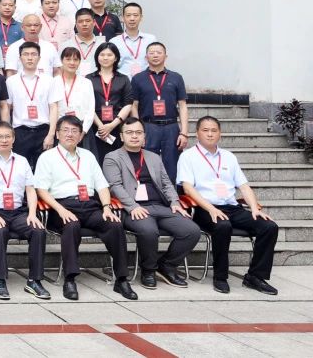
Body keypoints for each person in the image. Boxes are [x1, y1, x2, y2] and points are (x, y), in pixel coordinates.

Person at [33, 116, 138, 301]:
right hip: (61, 206)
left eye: (75, 131)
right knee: (71, 225)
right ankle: (70, 279)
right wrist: (60, 210)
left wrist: (106, 208)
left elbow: (102, 185)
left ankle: (121, 279)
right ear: (57, 134)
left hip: (90, 206)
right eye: (65, 130)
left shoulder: (88, 156)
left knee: (114, 225)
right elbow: (41, 190)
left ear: (81, 136)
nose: (70, 134)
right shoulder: (47, 157)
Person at [178, 116, 280, 295]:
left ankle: (255, 277)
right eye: (205, 130)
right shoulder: (188, 156)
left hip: (232, 208)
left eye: (214, 130)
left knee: (269, 226)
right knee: (223, 226)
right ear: (197, 133)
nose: (210, 134)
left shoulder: (229, 157)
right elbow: (187, 188)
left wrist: (254, 208)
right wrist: (211, 209)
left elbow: (244, 186)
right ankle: (220, 277)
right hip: (204, 208)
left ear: (220, 134)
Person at [103, 118, 200, 290]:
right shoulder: (112, 157)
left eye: (138, 133)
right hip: (132, 208)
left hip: (160, 206)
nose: (134, 136)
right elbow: (115, 186)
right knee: (148, 230)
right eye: (129, 133)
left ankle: (167, 266)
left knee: (191, 231)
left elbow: (166, 183)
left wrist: (175, 202)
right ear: (122, 136)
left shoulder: (153, 157)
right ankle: (148, 270)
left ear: (144, 136)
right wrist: (133, 206)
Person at [0, 122, 50, 300]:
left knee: (38, 231)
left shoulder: (22, 161)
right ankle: (0, 280)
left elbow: (30, 190)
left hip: (18, 212)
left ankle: (34, 280)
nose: (4, 140)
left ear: (13, 139)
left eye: (7, 136)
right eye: (0, 137)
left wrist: (32, 214)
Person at [131, 43, 189, 181]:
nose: (155, 55)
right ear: (146, 57)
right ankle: (150, 192)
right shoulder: (138, 78)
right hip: (148, 127)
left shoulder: (176, 77)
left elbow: (182, 106)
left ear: (165, 56)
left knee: (172, 166)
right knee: (147, 164)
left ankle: (172, 193)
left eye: (159, 52)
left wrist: (184, 132)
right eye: (151, 53)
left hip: (171, 127)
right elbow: (134, 106)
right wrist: (138, 131)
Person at [6, 42, 59, 168]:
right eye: (26, 54)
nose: (30, 58)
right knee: (19, 169)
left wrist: (51, 134)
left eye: (34, 54)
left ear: (39, 58)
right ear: (20, 58)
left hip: (43, 131)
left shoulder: (49, 80)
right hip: (20, 132)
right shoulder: (11, 81)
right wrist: (8, 133)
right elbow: (7, 108)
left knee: (45, 169)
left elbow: (54, 108)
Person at [86, 42, 135, 160]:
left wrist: (112, 125)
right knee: (96, 159)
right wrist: (101, 126)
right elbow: (87, 104)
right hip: (95, 127)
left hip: (117, 126)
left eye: (109, 55)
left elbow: (128, 104)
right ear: (97, 57)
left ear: (116, 58)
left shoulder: (123, 79)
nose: (105, 58)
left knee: (118, 160)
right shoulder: (89, 79)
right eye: (102, 55)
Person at [53, 47, 96, 137]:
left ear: (79, 62)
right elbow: (52, 109)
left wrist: (83, 131)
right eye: (68, 59)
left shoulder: (86, 83)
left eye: (75, 60)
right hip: (61, 129)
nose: (72, 63)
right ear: (61, 61)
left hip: (82, 129)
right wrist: (58, 130)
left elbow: (90, 110)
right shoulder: (54, 82)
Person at [60, 8, 105, 76]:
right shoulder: (65, 46)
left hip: (97, 81)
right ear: (76, 24)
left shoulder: (102, 45)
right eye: (80, 21)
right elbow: (61, 69)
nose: (84, 24)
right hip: (73, 81)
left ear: (94, 23)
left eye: (87, 21)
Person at [116, 3, 157, 76]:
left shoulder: (151, 40)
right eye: (128, 15)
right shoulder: (114, 41)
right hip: (123, 81)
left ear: (141, 17)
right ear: (122, 18)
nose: (132, 18)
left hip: (146, 80)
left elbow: (156, 61)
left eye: (135, 15)